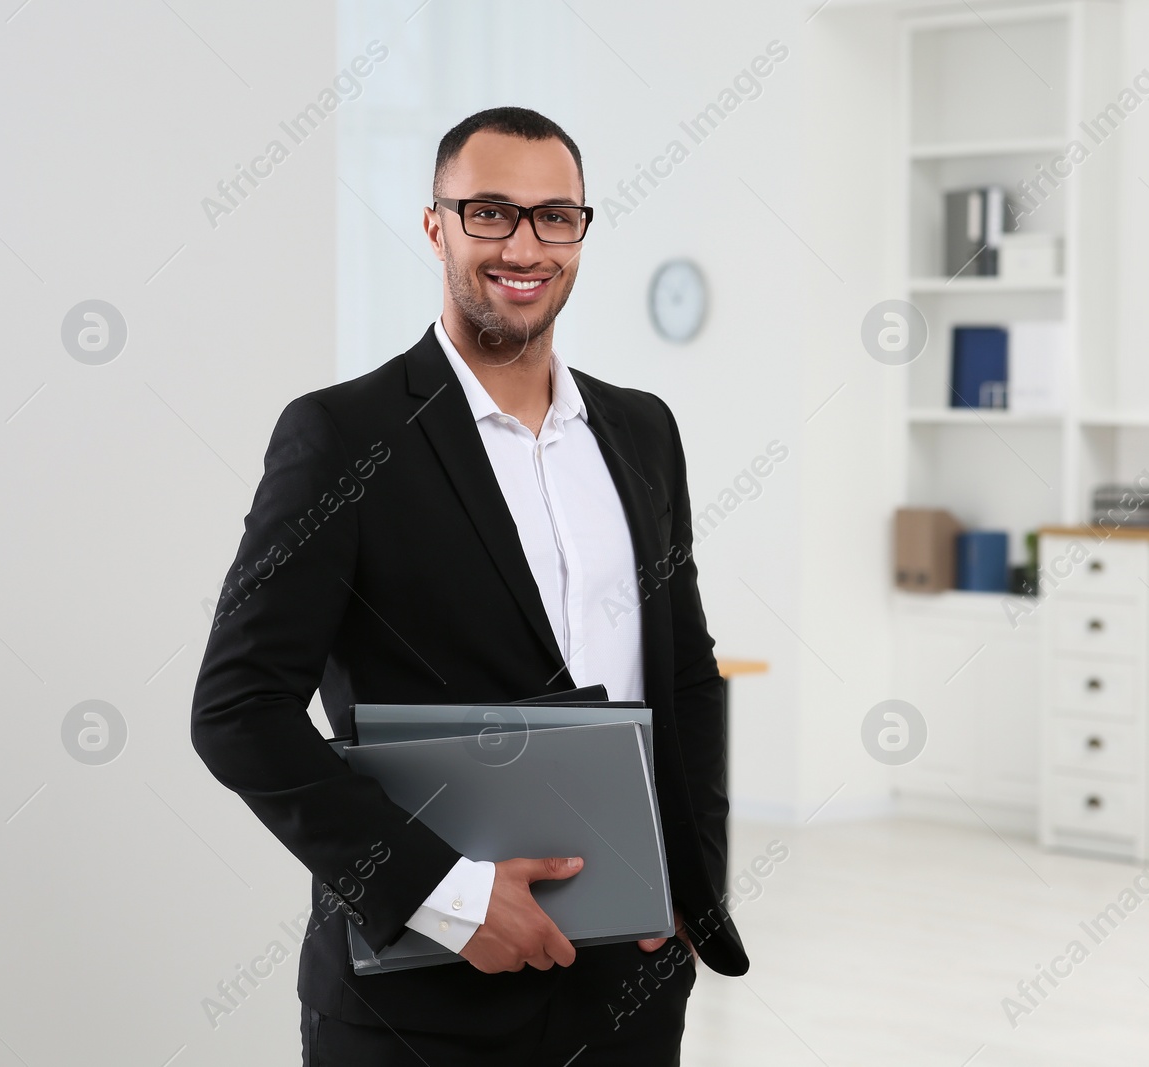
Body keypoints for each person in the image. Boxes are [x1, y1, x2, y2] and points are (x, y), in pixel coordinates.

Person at [190, 106, 746, 1065]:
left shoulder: (643, 432)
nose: (524, 245)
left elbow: (687, 676)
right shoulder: (341, 438)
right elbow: (238, 710)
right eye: (490, 212)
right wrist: (443, 895)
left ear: (580, 230)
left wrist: (692, 887)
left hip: (629, 984)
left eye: (554, 216)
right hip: (423, 997)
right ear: (435, 224)